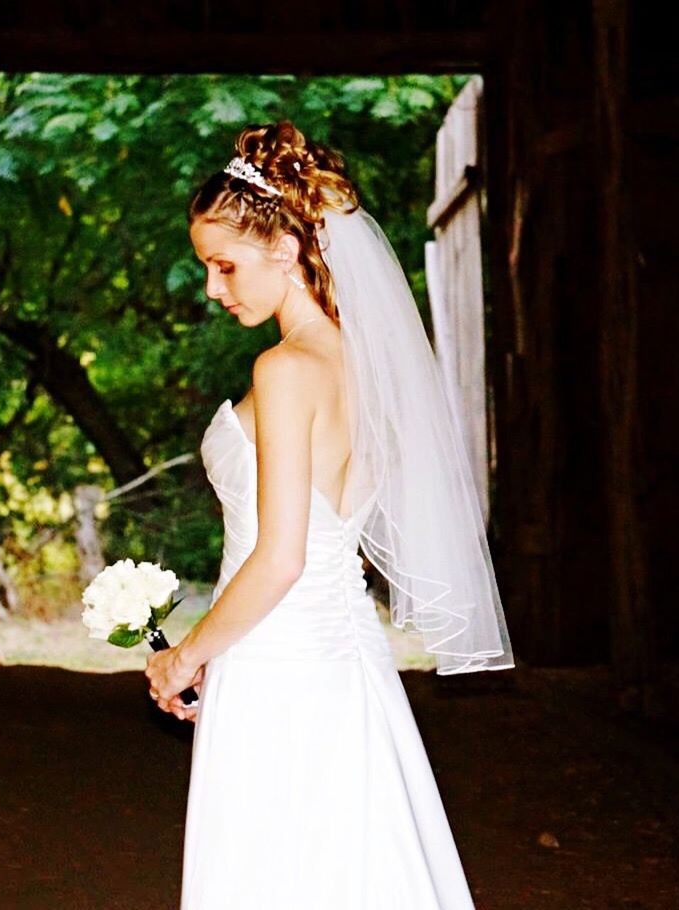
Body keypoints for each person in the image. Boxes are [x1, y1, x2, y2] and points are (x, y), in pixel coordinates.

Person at [145, 120, 514, 909]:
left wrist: (184, 657)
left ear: (284, 249)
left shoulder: (284, 370)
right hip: (349, 664)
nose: (215, 288)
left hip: (278, 667)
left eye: (224, 265)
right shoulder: (366, 364)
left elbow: (281, 557)